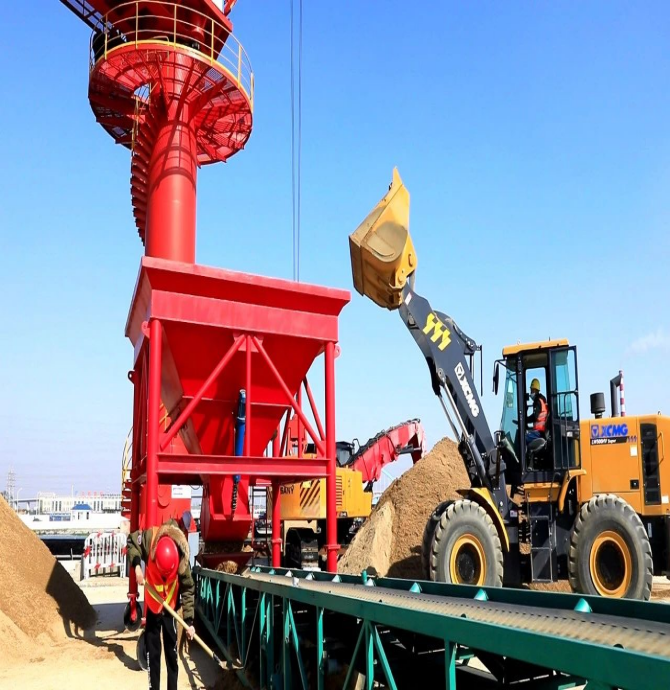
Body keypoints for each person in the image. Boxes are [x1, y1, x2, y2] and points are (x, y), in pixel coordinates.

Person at [127, 512, 195, 690]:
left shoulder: (182, 556)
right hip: (153, 605)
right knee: (153, 653)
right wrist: (137, 566)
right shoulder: (150, 539)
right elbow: (132, 541)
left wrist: (189, 621)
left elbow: (188, 589)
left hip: (170, 607)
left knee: (172, 654)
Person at [525, 378, 548, 445]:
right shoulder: (542, 399)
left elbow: (535, 417)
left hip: (539, 432)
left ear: (534, 390)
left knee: (523, 438)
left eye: (531, 390)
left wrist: (525, 420)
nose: (530, 393)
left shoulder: (537, 401)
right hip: (542, 431)